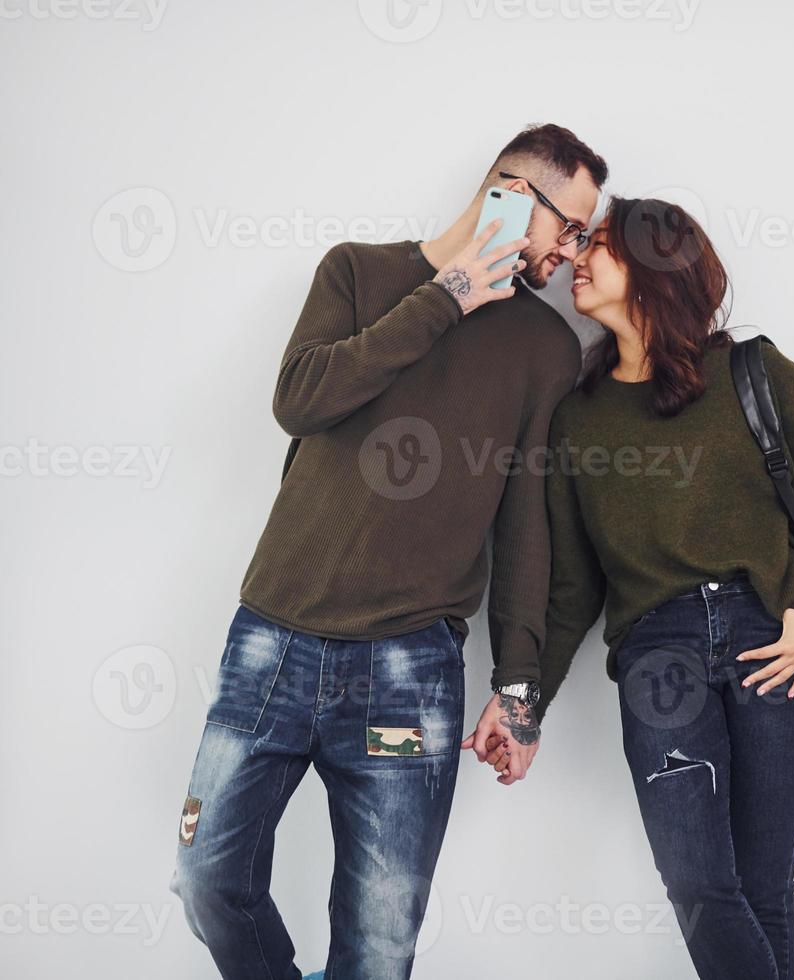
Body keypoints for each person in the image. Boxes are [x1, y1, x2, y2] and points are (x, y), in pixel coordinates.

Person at [170, 124, 607, 980]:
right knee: (205, 880)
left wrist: (518, 690)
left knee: (379, 947)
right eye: (571, 227)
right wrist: (445, 297)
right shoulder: (358, 273)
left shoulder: (545, 348)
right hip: (272, 643)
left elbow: (525, 528)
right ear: (513, 195)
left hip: (408, 674)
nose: (573, 251)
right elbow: (300, 399)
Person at [536, 197, 794, 980]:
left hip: (776, 638)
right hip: (660, 656)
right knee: (698, 886)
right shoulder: (577, 418)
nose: (580, 257)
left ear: (657, 267)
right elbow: (573, 588)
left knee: (764, 884)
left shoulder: (752, 372)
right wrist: (525, 700)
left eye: (605, 246)